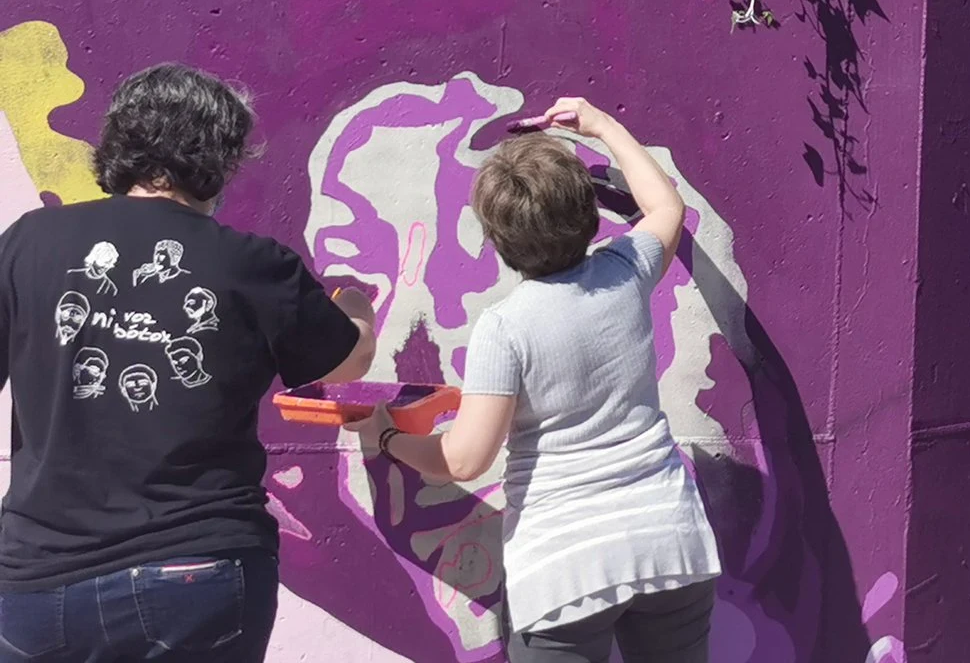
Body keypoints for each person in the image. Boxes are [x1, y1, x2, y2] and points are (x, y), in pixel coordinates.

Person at [0, 63, 377, 662]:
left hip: (40, 584)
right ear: (218, 160)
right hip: (197, 573)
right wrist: (357, 309)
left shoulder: (27, 243)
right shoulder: (251, 263)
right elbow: (344, 362)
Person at [350, 97, 721, 662]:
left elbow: (465, 460)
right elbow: (665, 206)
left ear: (499, 240)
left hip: (566, 569)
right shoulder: (625, 272)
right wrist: (598, 124)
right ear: (588, 214)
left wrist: (387, 440)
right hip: (670, 541)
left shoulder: (505, 328)